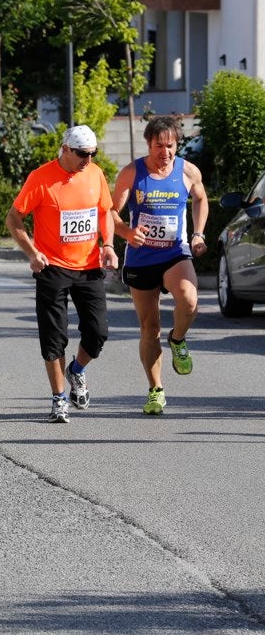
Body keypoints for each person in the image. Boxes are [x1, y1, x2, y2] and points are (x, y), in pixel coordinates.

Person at [5, 125, 117, 424]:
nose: (88, 160)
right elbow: (14, 218)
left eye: (93, 154)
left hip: (90, 265)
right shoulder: (40, 178)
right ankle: (58, 398)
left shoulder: (95, 174)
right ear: (66, 149)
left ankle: (77, 371)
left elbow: (105, 211)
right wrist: (32, 252)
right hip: (52, 266)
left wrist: (108, 245)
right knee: (54, 338)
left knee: (98, 332)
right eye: (82, 154)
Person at [112, 116, 208, 415]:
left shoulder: (188, 171)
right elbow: (110, 214)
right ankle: (156, 390)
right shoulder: (131, 173)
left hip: (174, 252)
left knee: (189, 299)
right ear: (148, 144)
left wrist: (198, 233)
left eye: (170, 146)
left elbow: (201, 200)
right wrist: (127, 232)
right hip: (141, 258)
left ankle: (177, 338)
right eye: (158, 146)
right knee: (148, 327)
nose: (164, 153)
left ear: (177, 145)